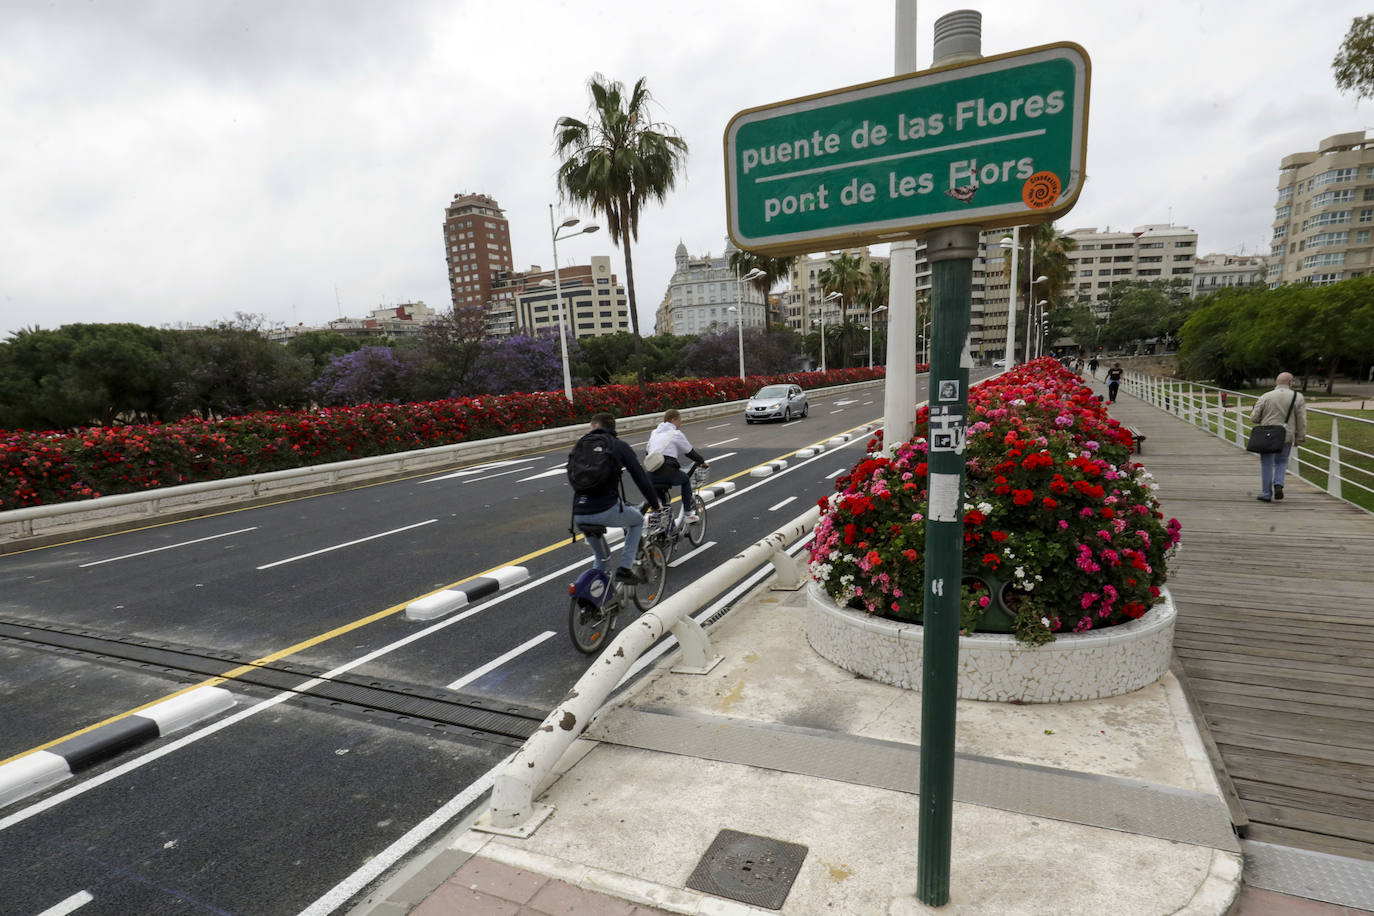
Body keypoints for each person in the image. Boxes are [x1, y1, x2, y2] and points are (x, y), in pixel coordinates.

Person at [570, 412, 664, 584]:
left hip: (579, 512)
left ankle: (596, 604)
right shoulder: (618, 446)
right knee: (636, 521)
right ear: (612, 427)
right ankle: (625, 569)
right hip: (605, 508)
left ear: (594, 426)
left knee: (602, 558)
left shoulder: (580, 445)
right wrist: (654, 503)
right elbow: (640, 477)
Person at [1250, 372, 1307, 503]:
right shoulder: (1297, 397)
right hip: (1286, 435)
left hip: (1267, 436)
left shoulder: (1265, 396)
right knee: (1282, 461)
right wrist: (1300, 438)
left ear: (1277, 382)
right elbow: (1301, 420)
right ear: (1290, 382)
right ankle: (1278, 484)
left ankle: (1266, 493)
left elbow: (1254, 418)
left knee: (1267, 463)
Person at [646, 408, 709, 524]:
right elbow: (690, 452)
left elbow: (648, 452)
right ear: (673, 419)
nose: (680, 424)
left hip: (650, 473)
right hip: (667, 470)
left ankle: (662, 529)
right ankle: (688, 514)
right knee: (685, 480)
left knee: (662, 502)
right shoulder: (676, 433)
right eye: (680, 421)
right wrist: (702, 462)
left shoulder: (654, 432)